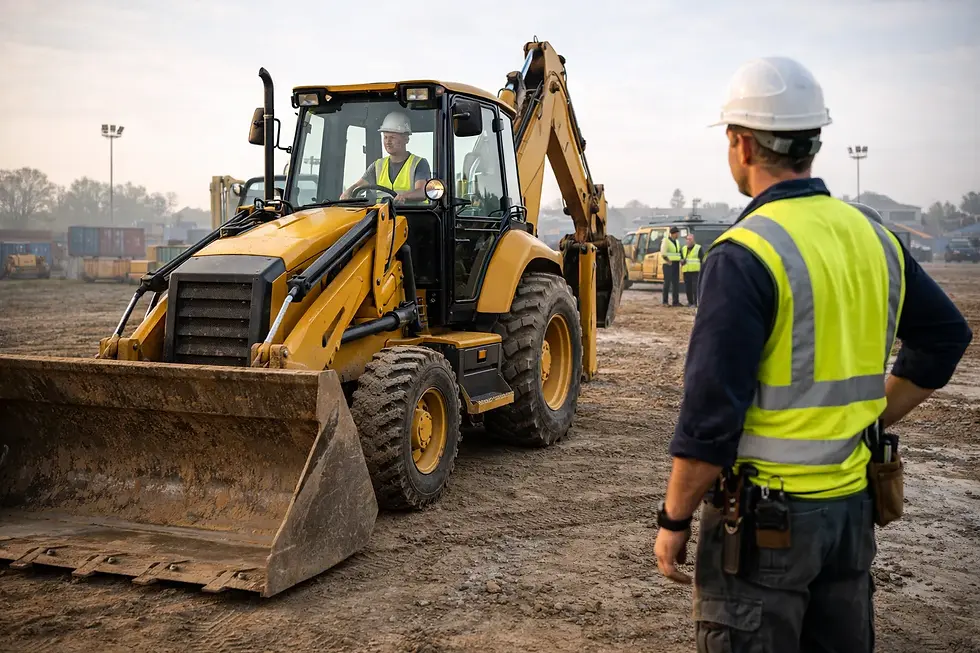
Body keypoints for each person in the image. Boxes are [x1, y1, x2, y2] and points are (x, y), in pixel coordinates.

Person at [652, 56, 972, 652]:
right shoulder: (875, 237)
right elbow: (945, 337)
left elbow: (710, 417)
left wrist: (674, 520)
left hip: (763, 525)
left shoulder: (744, 252)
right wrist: (870, 416)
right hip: (851, 515)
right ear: (813, 142)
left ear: (742, 144)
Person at [341, 111, 431, 202]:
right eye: (385, 137)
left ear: (406, 139)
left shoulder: (418, 164)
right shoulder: (377, 166)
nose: (388, 142)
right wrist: (348, 192)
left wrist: (404, 197)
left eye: (392, 137)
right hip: (382, 211)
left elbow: (421, 192)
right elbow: (358, 186)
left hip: (413, 211)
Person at [661, 226, 683, 306]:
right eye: (677, 233)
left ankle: (675, 301)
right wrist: (668, 260)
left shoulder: (677, 242)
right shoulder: (666, 241)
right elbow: (663, 253)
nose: (678, 235)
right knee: (667, 283)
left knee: (675, 283)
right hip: (668, 264)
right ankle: (665, 301)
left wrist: (681, 259)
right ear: (673, 234)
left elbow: (678, 252)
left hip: (676, 264)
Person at [680, 233, 703, 307]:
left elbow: (702, 259)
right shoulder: (683, 248)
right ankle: (690, 302)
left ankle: (695, 303)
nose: (688, 241)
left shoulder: (698, 248)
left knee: (695, 288)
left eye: (690, 239)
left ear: (693, 240)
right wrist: (681, 261)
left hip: (695, 271)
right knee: (688, 288)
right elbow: (680, 258)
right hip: (686, 271)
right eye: (687, 239)